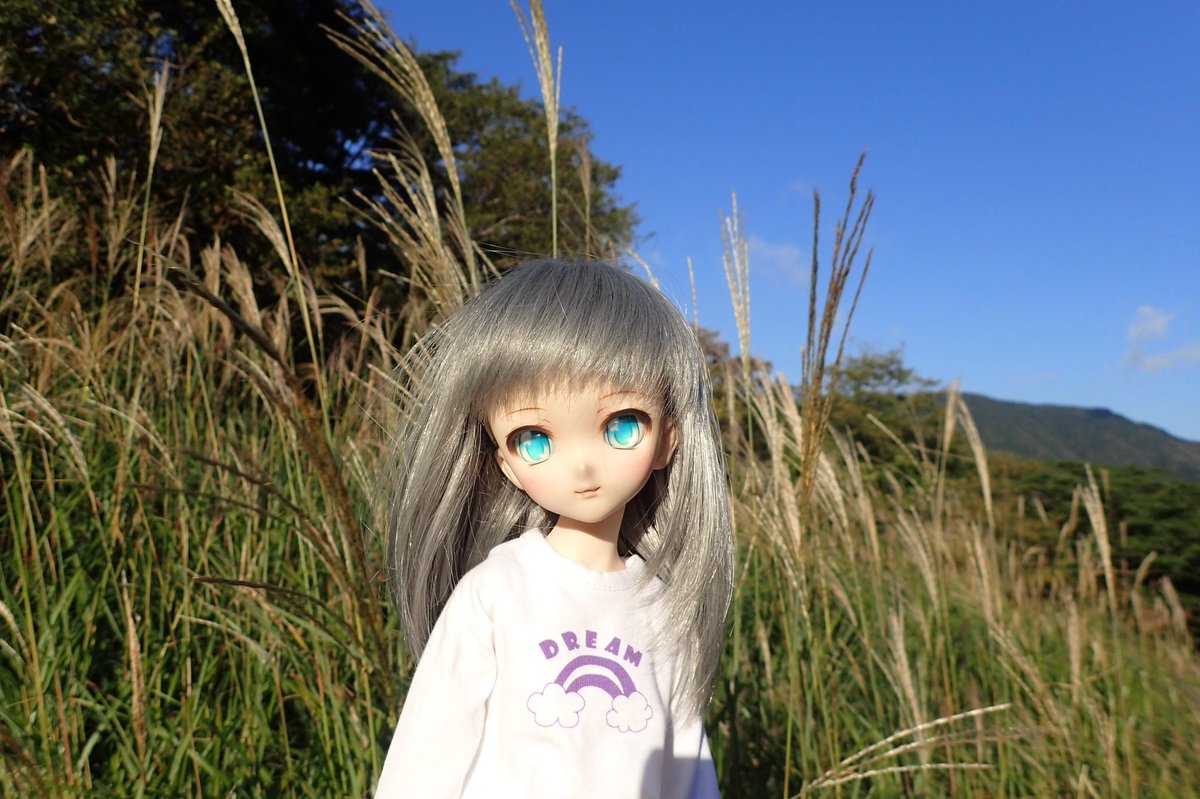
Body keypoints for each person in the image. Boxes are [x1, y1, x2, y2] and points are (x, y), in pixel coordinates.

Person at [375, 260, 733, 798]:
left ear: (667, 441)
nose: (582, 466)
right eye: (535, 440)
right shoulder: (497, 592)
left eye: (623, 425)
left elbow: (687, 765)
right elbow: (430, 748)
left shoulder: (665, 608)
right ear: (505, 464)